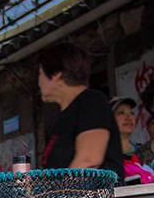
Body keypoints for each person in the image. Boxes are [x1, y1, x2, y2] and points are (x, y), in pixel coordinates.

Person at [36, 43, 124, 176]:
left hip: (94, 189)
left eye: (40, 73)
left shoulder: (91, 101)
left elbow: (89, 160)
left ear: (56, 74)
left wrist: (61, 188)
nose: (39, 81)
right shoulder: (62, 119)